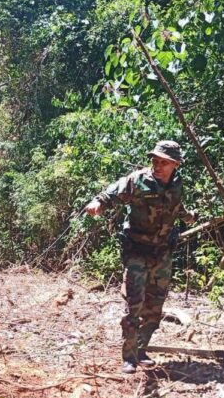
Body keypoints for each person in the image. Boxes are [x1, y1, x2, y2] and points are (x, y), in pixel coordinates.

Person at [84, 140, 196, 374]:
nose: (157, 165)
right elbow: (111, 193)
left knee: (154, 306)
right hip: (137, 252)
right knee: (133, 305)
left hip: (163, 253)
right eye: (155, 160)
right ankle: (130, 356)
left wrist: (187, 217)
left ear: (175, 164)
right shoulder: (138, 180)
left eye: (163, 162)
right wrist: (98, 203)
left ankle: (142, 348)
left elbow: (176, 206)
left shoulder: (178, 184)